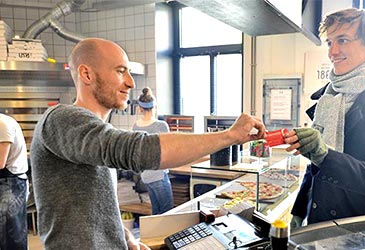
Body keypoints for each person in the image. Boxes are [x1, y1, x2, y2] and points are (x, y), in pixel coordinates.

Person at [29, 38, 266, 250]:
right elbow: (140, 151)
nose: (131, 82)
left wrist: (126, 238)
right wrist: (230, 136)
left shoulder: (96, 133)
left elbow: (95, 211)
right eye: (121, 71)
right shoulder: (62, 119)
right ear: (87, 74)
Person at [283, 8, 365, 227]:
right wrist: (299, 211)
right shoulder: (328, 97)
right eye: (329, 42)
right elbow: (314, 169)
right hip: (317, 222)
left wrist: (325, 155)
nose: (332, 51)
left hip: (363, 227)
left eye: (343, 40)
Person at [132, 87, 173, 214]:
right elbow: (170, 150)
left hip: (146, 176)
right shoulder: (161, 125)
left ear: (140, 108)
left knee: (156, 212)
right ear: (155, 106)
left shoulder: (136, 126)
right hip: (159, 175)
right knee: (167, 214)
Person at [0, 113, 29, 250]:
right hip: (6, 181)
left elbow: (0, 162)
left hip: (11, 184)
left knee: (10, 235)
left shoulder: (2, 124)